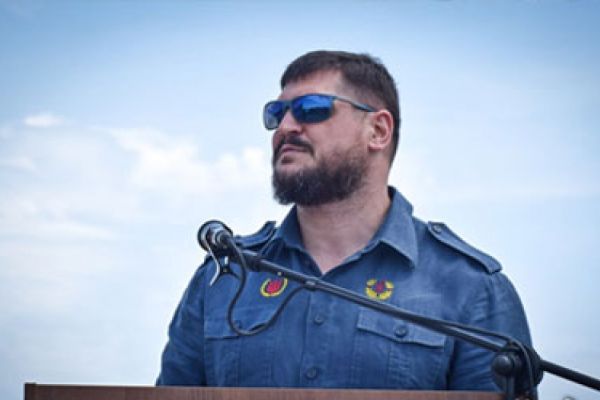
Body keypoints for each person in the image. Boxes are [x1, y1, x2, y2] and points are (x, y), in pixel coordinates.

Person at [156, 50, 532, 391]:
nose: (286, 127)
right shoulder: (223, 278)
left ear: (378, 131)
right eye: (277, 113)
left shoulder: (470, 287)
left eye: (311, 109)